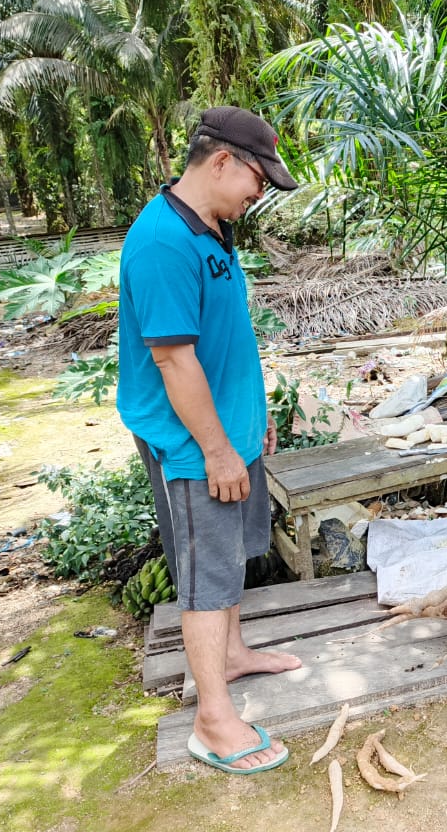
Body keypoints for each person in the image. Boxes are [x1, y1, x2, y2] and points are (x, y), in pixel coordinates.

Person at [117, 107, 302, 775]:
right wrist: (219, 448)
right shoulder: (163, 242)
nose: (260, 195)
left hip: (227, 426)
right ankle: (212, 722)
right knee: (206, 574)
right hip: (193, 443)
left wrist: (250, 420)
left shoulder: (211, 226)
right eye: (258, 179)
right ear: (221, 161)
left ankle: (231, 653)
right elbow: (172, 361)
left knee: (231, 556)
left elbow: (221, 338)